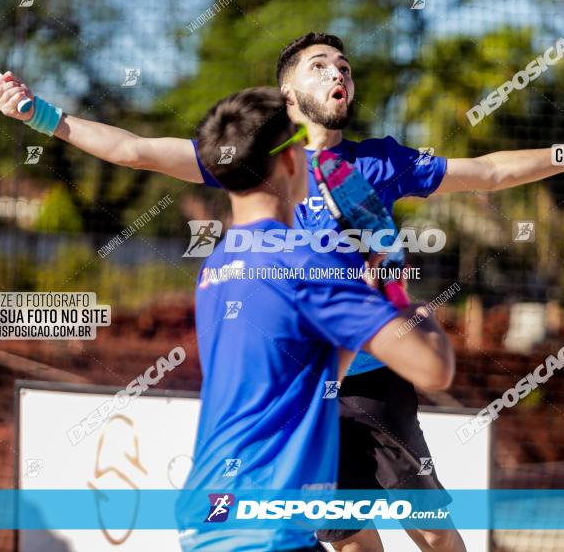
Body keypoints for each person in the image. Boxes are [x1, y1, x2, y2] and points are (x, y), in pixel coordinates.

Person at [0, 33, 564, 552]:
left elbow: (487, 171)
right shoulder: (252, 164)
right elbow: (134, 148)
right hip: (299, 391)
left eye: (343, 65)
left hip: (371, 382)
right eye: (318, 64)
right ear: (286, 95)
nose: (337, 72)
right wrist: (43, 115)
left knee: (432, 530)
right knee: (344, 535)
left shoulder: (377, 163)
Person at [172, 86, 454, 551]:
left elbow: (313, 375)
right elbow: (434, 368)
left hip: (210, 514)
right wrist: (397, 291)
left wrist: (364, 298)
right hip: (266, 526)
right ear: (288, 162)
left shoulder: (217, 266)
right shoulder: (304, 263)